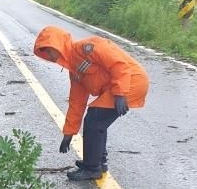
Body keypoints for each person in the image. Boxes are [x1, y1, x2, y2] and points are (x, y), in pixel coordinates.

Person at [33, 25, 150, 180]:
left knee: (94, 119)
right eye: (45, 52)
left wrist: (120, 93)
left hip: (130, 82)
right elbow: (77, 103)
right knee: (97, 120)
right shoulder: (74, 70)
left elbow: (119, 64)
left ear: (59, 44)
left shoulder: (87, 48)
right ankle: (98, 162)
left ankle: (92, 168)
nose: (49, 55)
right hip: (119, 87)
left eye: (49, 49)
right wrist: (69, 133)